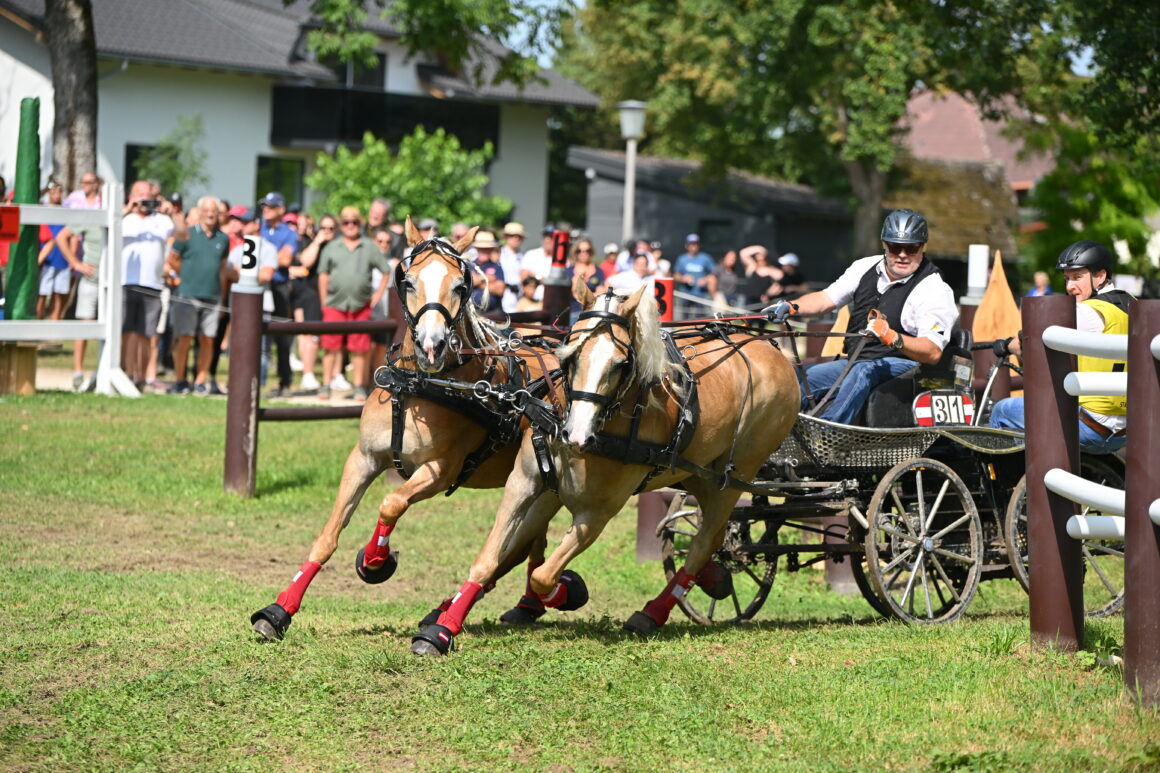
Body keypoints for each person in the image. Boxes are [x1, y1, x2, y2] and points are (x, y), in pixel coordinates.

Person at [764, 209, 958, 425]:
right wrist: (791, 306)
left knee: (863, 370)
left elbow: (932, 352)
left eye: (911, 248)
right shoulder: (864, 266)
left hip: (908, 367)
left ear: (922, 247)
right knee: (797, 378)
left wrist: (893, 337)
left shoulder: (934, 290)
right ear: (884, 245)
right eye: (895, 247)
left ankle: (828, 434)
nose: (902, 255)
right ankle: (778, 433)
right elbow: (826, 299)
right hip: (856, 361)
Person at [989, 240, 1132, 454]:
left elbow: (1033, 340)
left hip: (1091, 427)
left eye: (1077, 277)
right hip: (1126, 430)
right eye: (1067, 279)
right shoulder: (1132, 305)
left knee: (1002, 410)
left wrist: (1010, 345)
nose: (1069, 287)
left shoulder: (1086, 312)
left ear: (1100, 276)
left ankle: (1007, 485)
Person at [317, 206, 390, 401]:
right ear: (341, 225)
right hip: (334, 303)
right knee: (330, 346)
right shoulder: (332, 247)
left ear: (360, 223)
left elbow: (386, 271)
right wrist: (324, 302)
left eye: (355, 222)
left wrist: (377, 296)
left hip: (360, 305)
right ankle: (325, 385)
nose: (350, 226)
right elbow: (323, 275)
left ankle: (359, 386)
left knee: (360, 348)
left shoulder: (370, 246)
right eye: (346, 222)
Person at [121, 180, 188, 391]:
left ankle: (141, 377)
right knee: (127, 332)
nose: (143, 197)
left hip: (153, 285)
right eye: (138, 193)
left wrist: (173, 214)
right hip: (126, 283)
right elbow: (106, 229)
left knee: (147, 334)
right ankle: (125, 374)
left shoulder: (161, 220)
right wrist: (126, 210)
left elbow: (184, 236)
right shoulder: (124, 218)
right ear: (131, 195)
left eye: (146, 194)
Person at [165, 195, 230, 395]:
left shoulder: (223, 238)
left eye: (214, 211)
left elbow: (222, 270)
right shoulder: (187, 234)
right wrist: (185, 275)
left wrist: (223, 298)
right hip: (188, 294)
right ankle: (180, 379)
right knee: (184, 338)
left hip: (212, 295)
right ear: (200, 212)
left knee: (208, 339)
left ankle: (200, 380)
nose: (210, 214)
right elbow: (173, 259)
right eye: (207, 210)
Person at [62, 172, 104, 390]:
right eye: (83, 181)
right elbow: (62, 236)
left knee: (106, 330)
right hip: (90, 279)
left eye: (89, 182)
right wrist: (76, 264)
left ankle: (101, 372)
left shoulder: (120, 214)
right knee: (84, 327)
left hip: (110, 284)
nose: (85, 185)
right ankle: (78, 372)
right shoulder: (89, 213)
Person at [289, 213, 335, 392]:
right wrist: (317, 241)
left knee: (312, 336)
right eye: (323, 228)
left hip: (322, 293)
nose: (326, 232)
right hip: (309, 293)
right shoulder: (311, 243)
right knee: (308, 335)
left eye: (331, 228)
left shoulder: (334, 245)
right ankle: (307, 374)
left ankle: (324, 374)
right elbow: (306, 262)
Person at [258, 191, 298, 396]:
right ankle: (257, 380)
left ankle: (285, 381)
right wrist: (274, 256)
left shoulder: (288, 233)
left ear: (281, 210)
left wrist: (264, 257)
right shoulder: (258, 228)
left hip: (279, 288)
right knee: (255, 334)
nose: (266, 209)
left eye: (271, 206)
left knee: (282, 336)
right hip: (259, 287)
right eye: (264, 205)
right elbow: (278, 257)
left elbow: (285, 260)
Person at [36, 179, 79, 320]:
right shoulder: (41, 210)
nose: (57, 194)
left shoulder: (66, 212)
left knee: (59, 295)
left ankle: (54, 327)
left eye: (60, 191)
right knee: (42, 294)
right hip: (47, 258)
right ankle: (36, 324)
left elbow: (73, 236)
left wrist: (71, 257)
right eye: (54, 191)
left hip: (62, 259)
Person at [672, 233, 716, 318]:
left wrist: (705, 279)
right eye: (691, 244)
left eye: (695, 244)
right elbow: (676, 275)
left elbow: (714, 273)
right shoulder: (682, 259)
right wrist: (683, 278)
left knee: (700, 319)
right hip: (685, 294)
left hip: (701, 294)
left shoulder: (705, 258)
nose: (693, 246)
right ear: (687, 245)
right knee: (684, 319)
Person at [470, 231, 505, 313]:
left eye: (487, 248)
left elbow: (500, 289)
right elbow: (467, 284)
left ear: (491, 249)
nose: (484, 251)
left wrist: (478, 281)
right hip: (472, 312)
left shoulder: (497, 267)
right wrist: (486, 278)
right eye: (481, 248)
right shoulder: (469, 265)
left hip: (493, 313)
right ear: (477, 249)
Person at [499, 222, 526, 312]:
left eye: (519, 236)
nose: (516, 238)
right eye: (512, 235)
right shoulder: (499, 254)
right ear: (506, 237)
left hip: (520, 297)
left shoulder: (524, 256)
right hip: (503, 295)